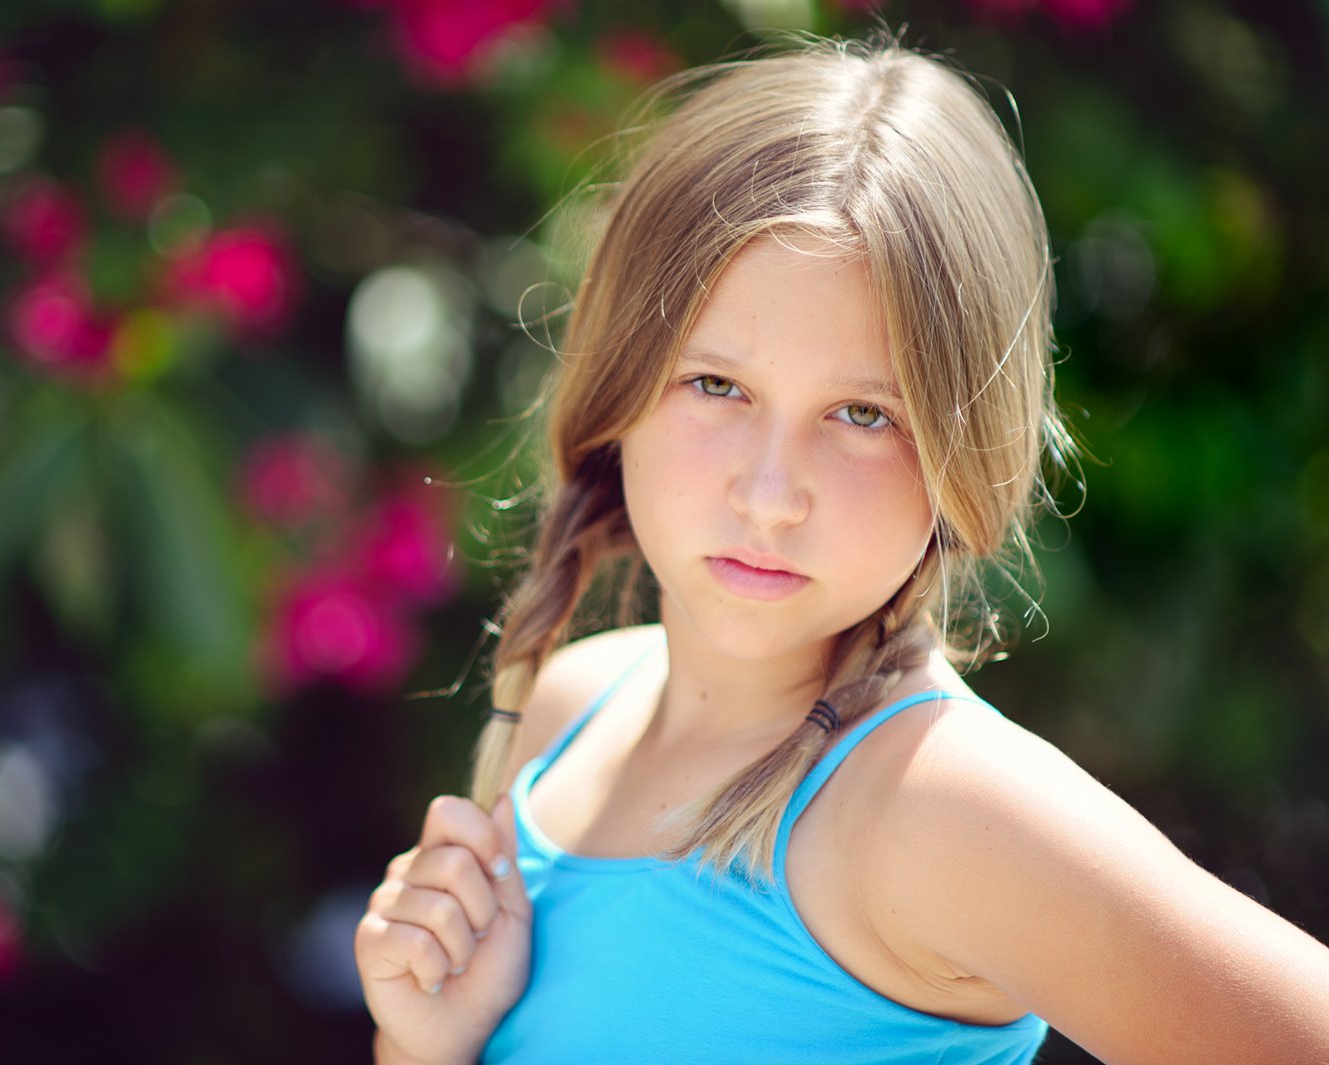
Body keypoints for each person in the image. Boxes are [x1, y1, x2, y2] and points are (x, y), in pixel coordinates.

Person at [353, 35, 1329, 1065]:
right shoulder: (565, 709)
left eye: (863, 414)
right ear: (618, 383)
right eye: (716, 387)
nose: (770, 497)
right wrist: (426, 1043)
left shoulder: (939, 806)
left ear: (965, 444)